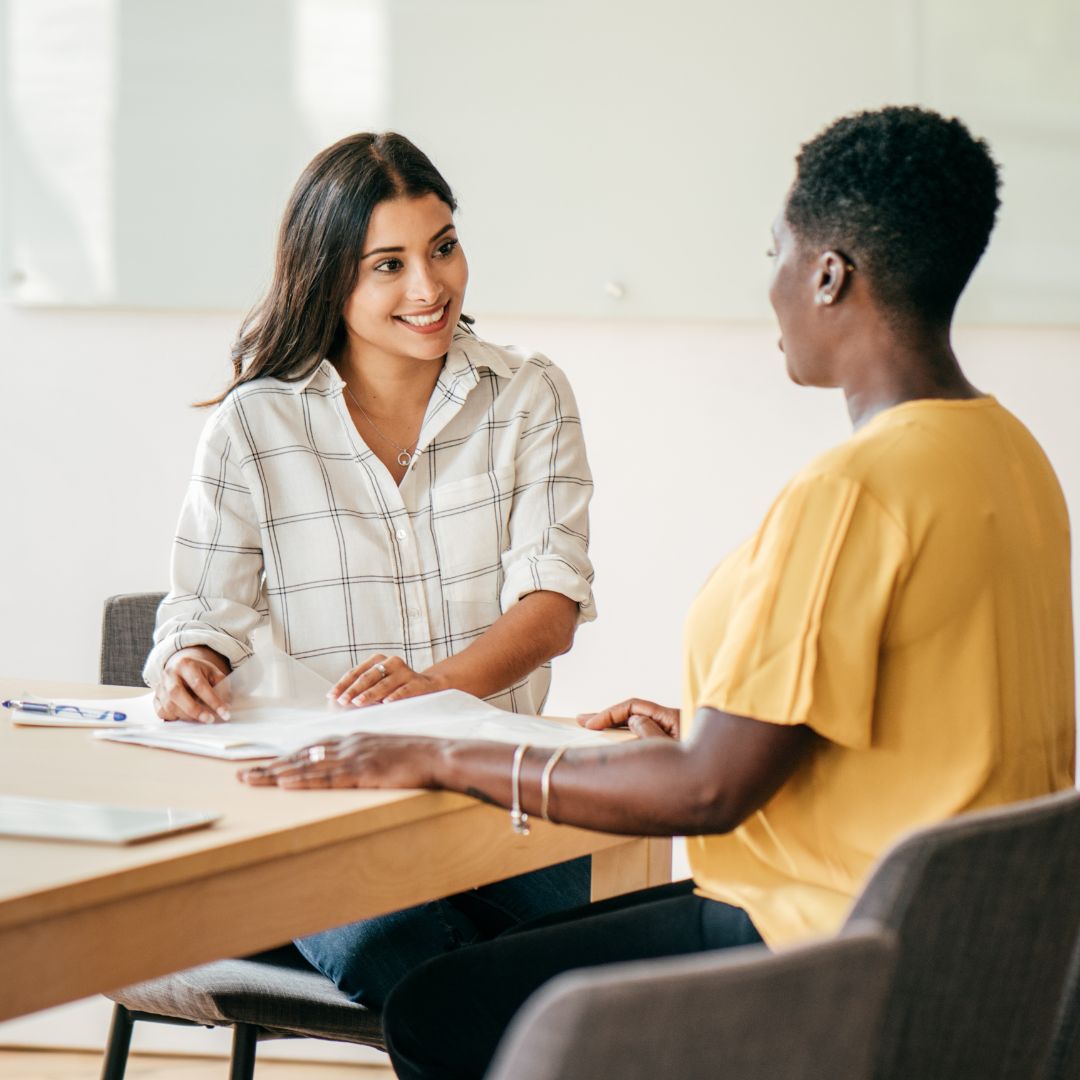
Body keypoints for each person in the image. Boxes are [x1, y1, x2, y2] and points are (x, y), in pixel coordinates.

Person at [241, 105, 1076, 1079]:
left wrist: (440, 750)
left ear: (828, 274)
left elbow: (711, 791)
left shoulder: (851, 494)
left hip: (820, 947)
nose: (770, 284)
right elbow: (924, 729)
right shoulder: (1009, 455)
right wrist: (702, 726)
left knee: (439, 1008)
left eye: (777, 251)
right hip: (967, 953)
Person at [145, 132, 597, 1006]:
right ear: (328, 278)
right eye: (386, 264)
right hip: (324, 824)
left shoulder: (528, 394)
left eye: (443, 247)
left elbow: (550, 607)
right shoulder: (253, 426)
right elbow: (199, 612)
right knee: (414, 955)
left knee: (608, 936)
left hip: (498, 810)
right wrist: (190, 664)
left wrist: (427, 693)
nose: (430, 287)